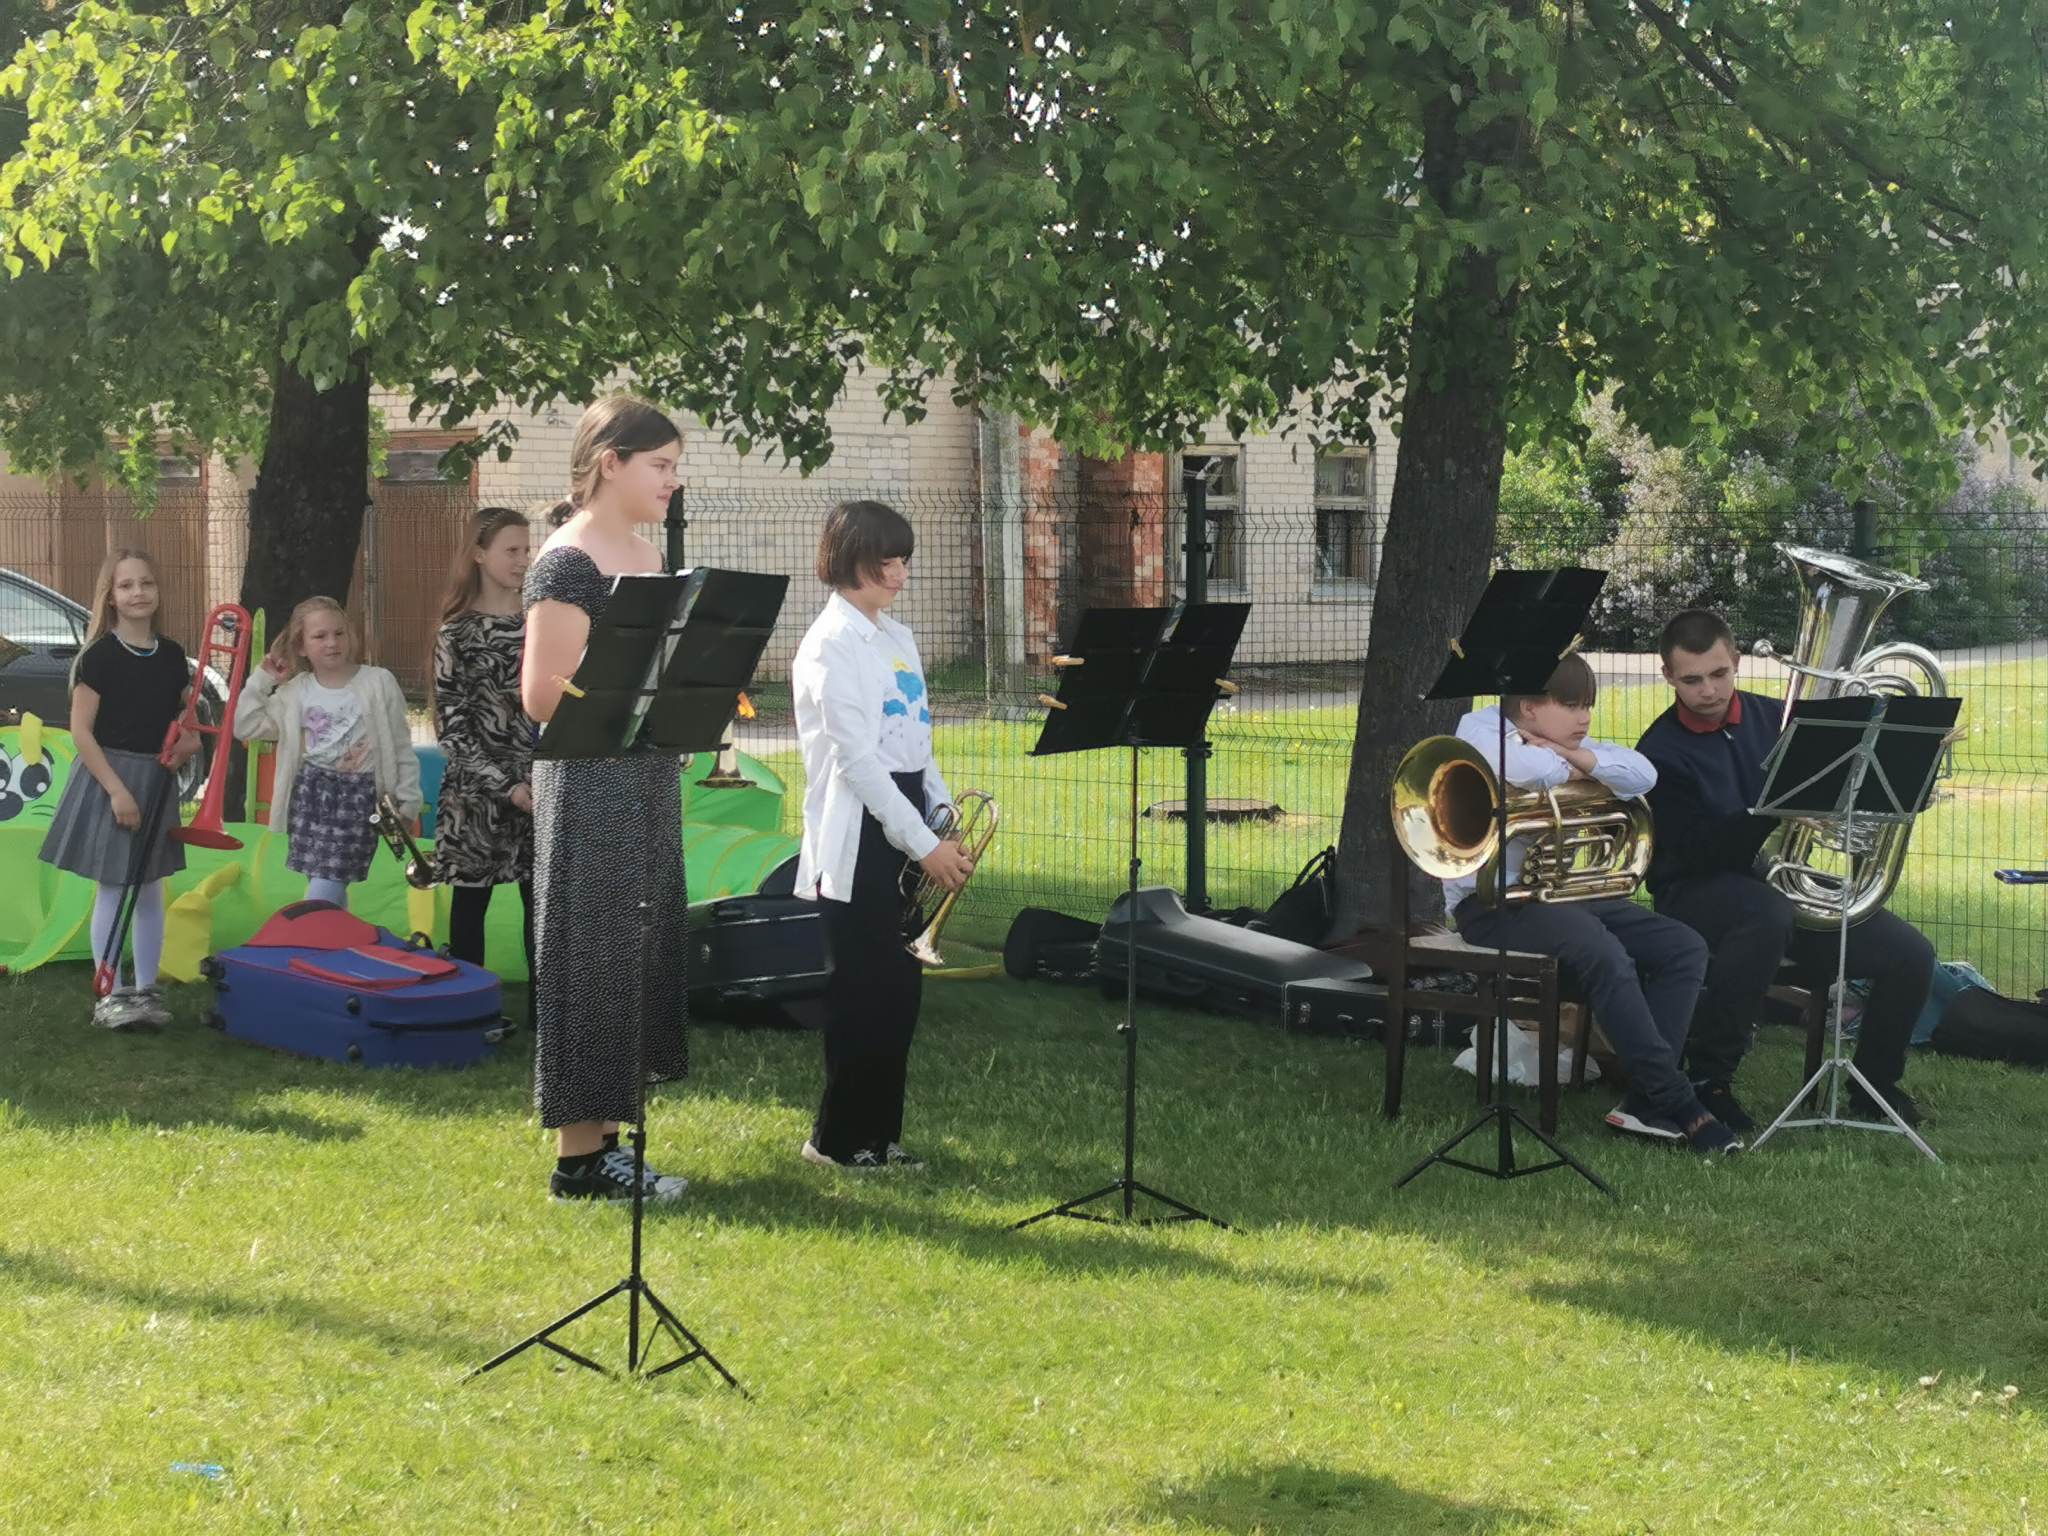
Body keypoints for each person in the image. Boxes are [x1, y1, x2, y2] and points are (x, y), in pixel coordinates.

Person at [1636, 608, 1935, 1131]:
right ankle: (1709, 1079)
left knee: (1910, 953)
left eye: (1719, 674)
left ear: (1736, 662)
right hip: (1693, 890)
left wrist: (1902, 782)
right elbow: (1697, 852)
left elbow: (1846, 780)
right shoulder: (1659, 751)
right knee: (1766, 916)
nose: (1708, 690)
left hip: (1775, 883)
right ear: (1668, 677)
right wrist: (1767, 813)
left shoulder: (1778, 718)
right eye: (1691, 680)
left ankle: (1875, 1085)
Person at [1442, 654, 1737, 1154]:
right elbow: (1528, 769)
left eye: (1588, 706)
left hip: (1556, 897)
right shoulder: (1480, 729)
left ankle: (1643, 1103)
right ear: (1529, 708)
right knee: (1603, 952)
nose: (1585, 718)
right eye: (1572, 706)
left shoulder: (1561, 740)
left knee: (1684, 946)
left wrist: (1573, 754)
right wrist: (1578, 763)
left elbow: (1643, 775)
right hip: (1490, 906)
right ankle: (1678, 1102)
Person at [521, 396, 690, 1204]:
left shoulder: (649, 556)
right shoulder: (567, 562)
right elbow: (542, 696)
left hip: (644, 775)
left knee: (635, 953)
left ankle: (611, 1146)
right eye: (660, 465)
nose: (672, 480)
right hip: (589, 781)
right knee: (590, 957)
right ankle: (578, 1162)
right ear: (610, 462)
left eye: (675, 466)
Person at [790, 499, 974, 1172]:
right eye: (885, 563)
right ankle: (836, 1142)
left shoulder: (897, 637)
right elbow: (857, 763)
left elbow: (917, 743)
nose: (899, 575)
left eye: (903, 562)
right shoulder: (829, 644)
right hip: (859, 834)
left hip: (904, 820)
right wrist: (923, 844)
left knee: (899, 994)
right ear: (848, 562)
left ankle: (880, 1137)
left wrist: (943, 818)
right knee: (861, 994)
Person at [37, 548, 200, 1030]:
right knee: (113, 886)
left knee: (149, 888)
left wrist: (189, 743)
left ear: (158, 591)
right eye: (126, 585)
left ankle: (146, 991)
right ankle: (110, 995)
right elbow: (81, 732)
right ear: (110, 597)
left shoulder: (172, 656)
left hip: (156, 778)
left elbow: (188, 720)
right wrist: (116, 791)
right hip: (110, 778)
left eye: (146, 583)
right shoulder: (99, 657)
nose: (138, 593)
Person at [233, 597, 419, 910]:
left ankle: (305, 935)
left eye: (339, 633)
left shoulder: (378, 683)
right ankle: (335, 939)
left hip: (359, 798)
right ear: (301, 646)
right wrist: (263, 679)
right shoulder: (295, 693)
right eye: (320, 636)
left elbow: (401, 745)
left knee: (326, 887)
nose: (332, 643)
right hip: (310, 795)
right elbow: (245, 726)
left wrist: (408, 800)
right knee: (327, 884)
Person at [430, 507, 535, 973]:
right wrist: (507, 787)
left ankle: (545, 1008)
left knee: (542, 910)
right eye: (511, 550)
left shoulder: (542, 623)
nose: (523, 560)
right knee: (470, 911)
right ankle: (470, 1002)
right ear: (478, 554)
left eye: (526, 550)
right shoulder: (456, 633)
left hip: (539, 788)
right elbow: (453, 732)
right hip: (476, 797)